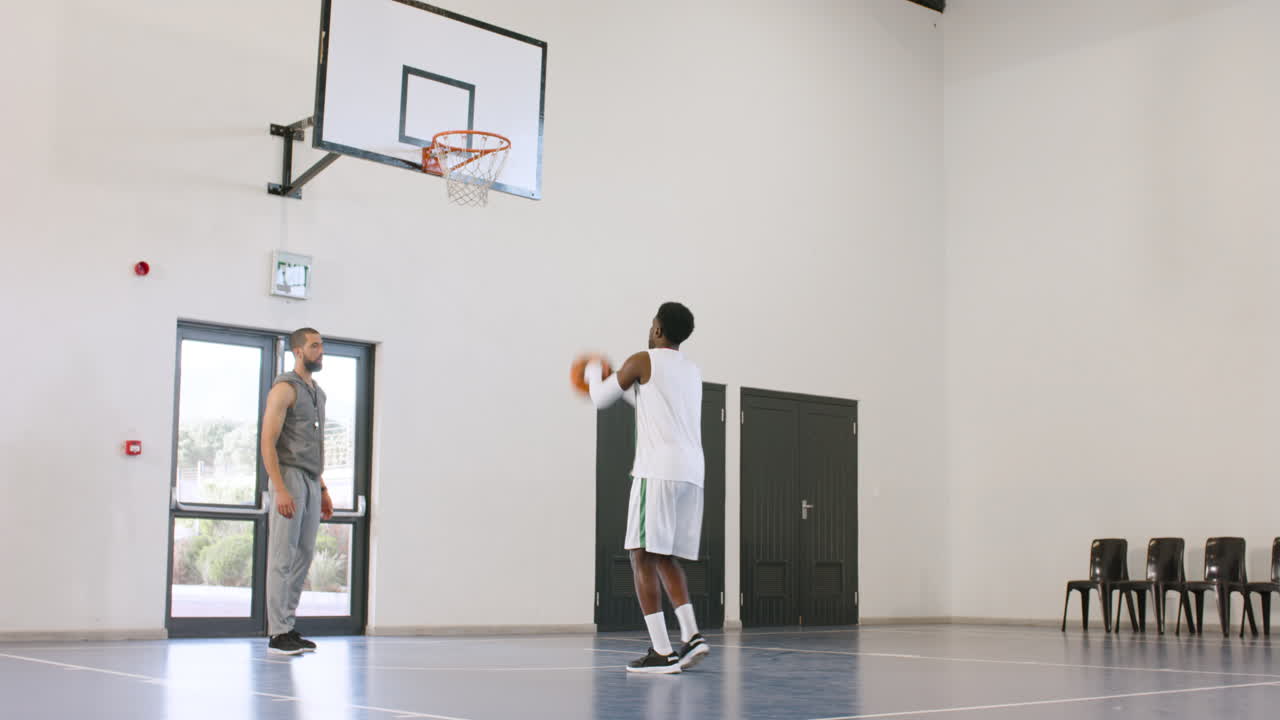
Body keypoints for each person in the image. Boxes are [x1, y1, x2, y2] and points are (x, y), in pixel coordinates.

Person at [585, 302, 710, 674]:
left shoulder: (643, 359)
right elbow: (648, 403)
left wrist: (596, 373)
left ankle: (662, 652)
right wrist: (618, 377)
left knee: (640, 555)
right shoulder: (690, 371)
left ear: (657, 329)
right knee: (663, 555)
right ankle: (691, 636)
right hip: (691, 473)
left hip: (657, 471)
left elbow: (599, 398)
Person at [260, 327, 333, 655]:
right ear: (298, 351)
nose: (320, 351)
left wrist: (323, 487)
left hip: (311, 478)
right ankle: (277, 634)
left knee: (302, 555)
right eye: (314, 346)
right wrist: (280, 489)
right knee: (283, 556)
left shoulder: (318, 393)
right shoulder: (284, 389)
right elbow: (267, 442)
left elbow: (314, 445)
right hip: (288, 477)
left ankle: (288, 625)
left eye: (321, 346)